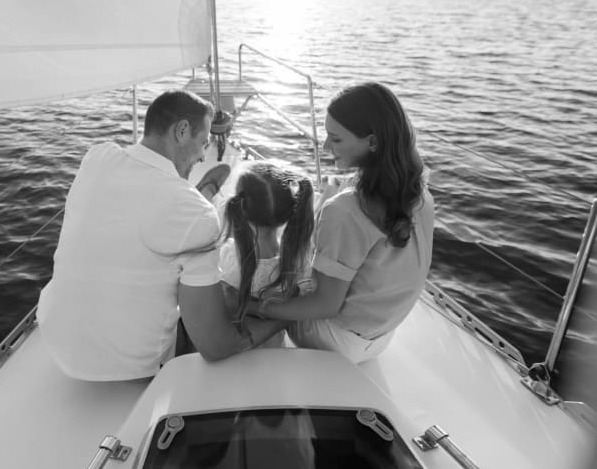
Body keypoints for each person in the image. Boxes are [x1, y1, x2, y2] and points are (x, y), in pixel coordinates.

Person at [37, 89, 285, 381]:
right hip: (132, 366)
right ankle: (201, 195)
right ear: (181, 130)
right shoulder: (198, 216)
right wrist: (280, 319)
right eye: (203, 142)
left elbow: (138, 193)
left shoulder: (97, 156)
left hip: (54, 336)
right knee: (222, 300)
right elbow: (216, 345)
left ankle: (201, 192)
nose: (204, 154)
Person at [246, 82, 434, 364]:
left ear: (372, 142)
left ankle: (259, 352)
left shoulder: (347, 211)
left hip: (336, 342)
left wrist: (256, 305)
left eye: (335, 139)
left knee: (254, 277)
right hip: (380, 337)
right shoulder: (419, 191)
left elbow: (324, 305)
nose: (324, 146)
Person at [218, 162, 314, 346]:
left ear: (239, 208)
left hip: (235, 358)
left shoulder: (228, 257)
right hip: (274, 357)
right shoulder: (298, 263)